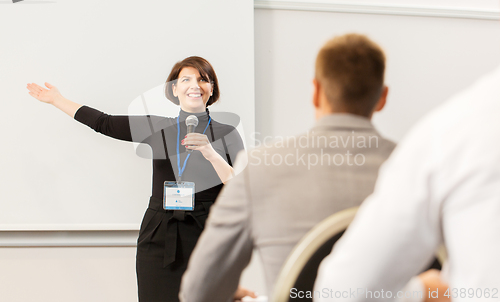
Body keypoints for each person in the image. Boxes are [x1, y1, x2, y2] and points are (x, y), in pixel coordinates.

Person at [179, 34, 397, 302]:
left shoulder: (257, 167)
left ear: (315, 92)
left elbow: (199, 293)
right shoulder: (415, 167)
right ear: (382, 97)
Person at [26, 56, 251, 302]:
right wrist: (57, 100)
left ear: (212, 89)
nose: (194, 85)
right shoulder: (157, 127)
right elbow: (104, 123)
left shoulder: (227, 133)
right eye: (185, 79)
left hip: (209, 232)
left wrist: (211, 154)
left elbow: (242, 187)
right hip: (160, 231)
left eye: (202, 79)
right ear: (174, 89)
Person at [313, 63, 500, 301]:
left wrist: (422, 292)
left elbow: (340, 292)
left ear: (316, 91)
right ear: (382, 97)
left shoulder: (448, 138)